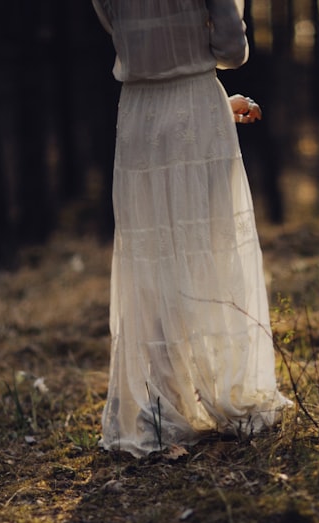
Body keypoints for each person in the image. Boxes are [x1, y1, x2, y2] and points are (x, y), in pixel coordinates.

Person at [92, 0, 290, 457]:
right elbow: (232, 50)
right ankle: (217, 386)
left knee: (154, 258)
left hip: (139, 116)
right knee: (209, 250)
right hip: (196, 111)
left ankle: (164, 403)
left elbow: (134, 43)